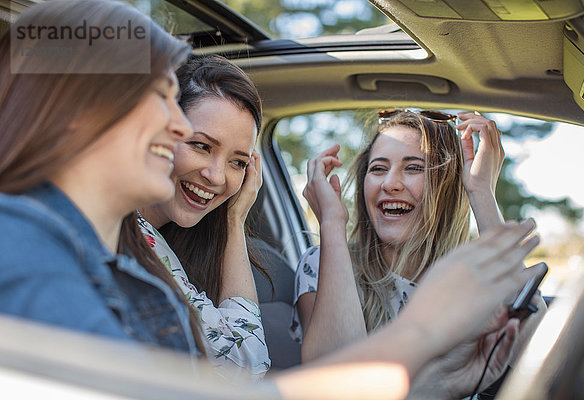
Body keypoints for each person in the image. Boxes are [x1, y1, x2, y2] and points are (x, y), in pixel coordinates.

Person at [0, 2, 545, 398]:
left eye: (239, 159)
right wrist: (420, 333)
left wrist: (442, 378)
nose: (174, 122)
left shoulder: (122, 260)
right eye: (162, 98)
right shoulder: (20, 244)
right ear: (81, 110)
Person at [0, 0, 205, 355]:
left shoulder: (135, 272)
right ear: (75, 105)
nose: (182, 126)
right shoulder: (13, 238)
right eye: (161, 95)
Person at [292, 109, 546, 396]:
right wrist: (332, 225)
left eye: (413, 168)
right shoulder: (324, 263)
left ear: (446, 186)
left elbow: (544, 358)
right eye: (378, 169)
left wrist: (481, 191)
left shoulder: (468, 273)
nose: (390, 183)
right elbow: (336, 387)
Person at [137, 55, 270, 378]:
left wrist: (234, 219)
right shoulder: (125, 233)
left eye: (237, 162)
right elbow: (246, 364)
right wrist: (235, 222)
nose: (216, 176)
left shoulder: (169, 241)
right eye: (201, 145)